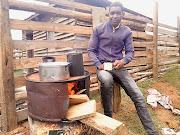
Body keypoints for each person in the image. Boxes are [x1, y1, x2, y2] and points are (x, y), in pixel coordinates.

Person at [88, 2, 159, 135]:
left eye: (118, 13)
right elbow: (91, 50)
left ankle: (153, 132)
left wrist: (124, 60)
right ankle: (108, 119)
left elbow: (130, 52)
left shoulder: (126, 31)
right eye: (112, 13)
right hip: (103, 67)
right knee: (107, 80)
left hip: (119, 67)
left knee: (137, 95)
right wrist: (98, 64)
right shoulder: (99, 29)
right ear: (108, 13)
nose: (114, 15)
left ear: (123, 14)